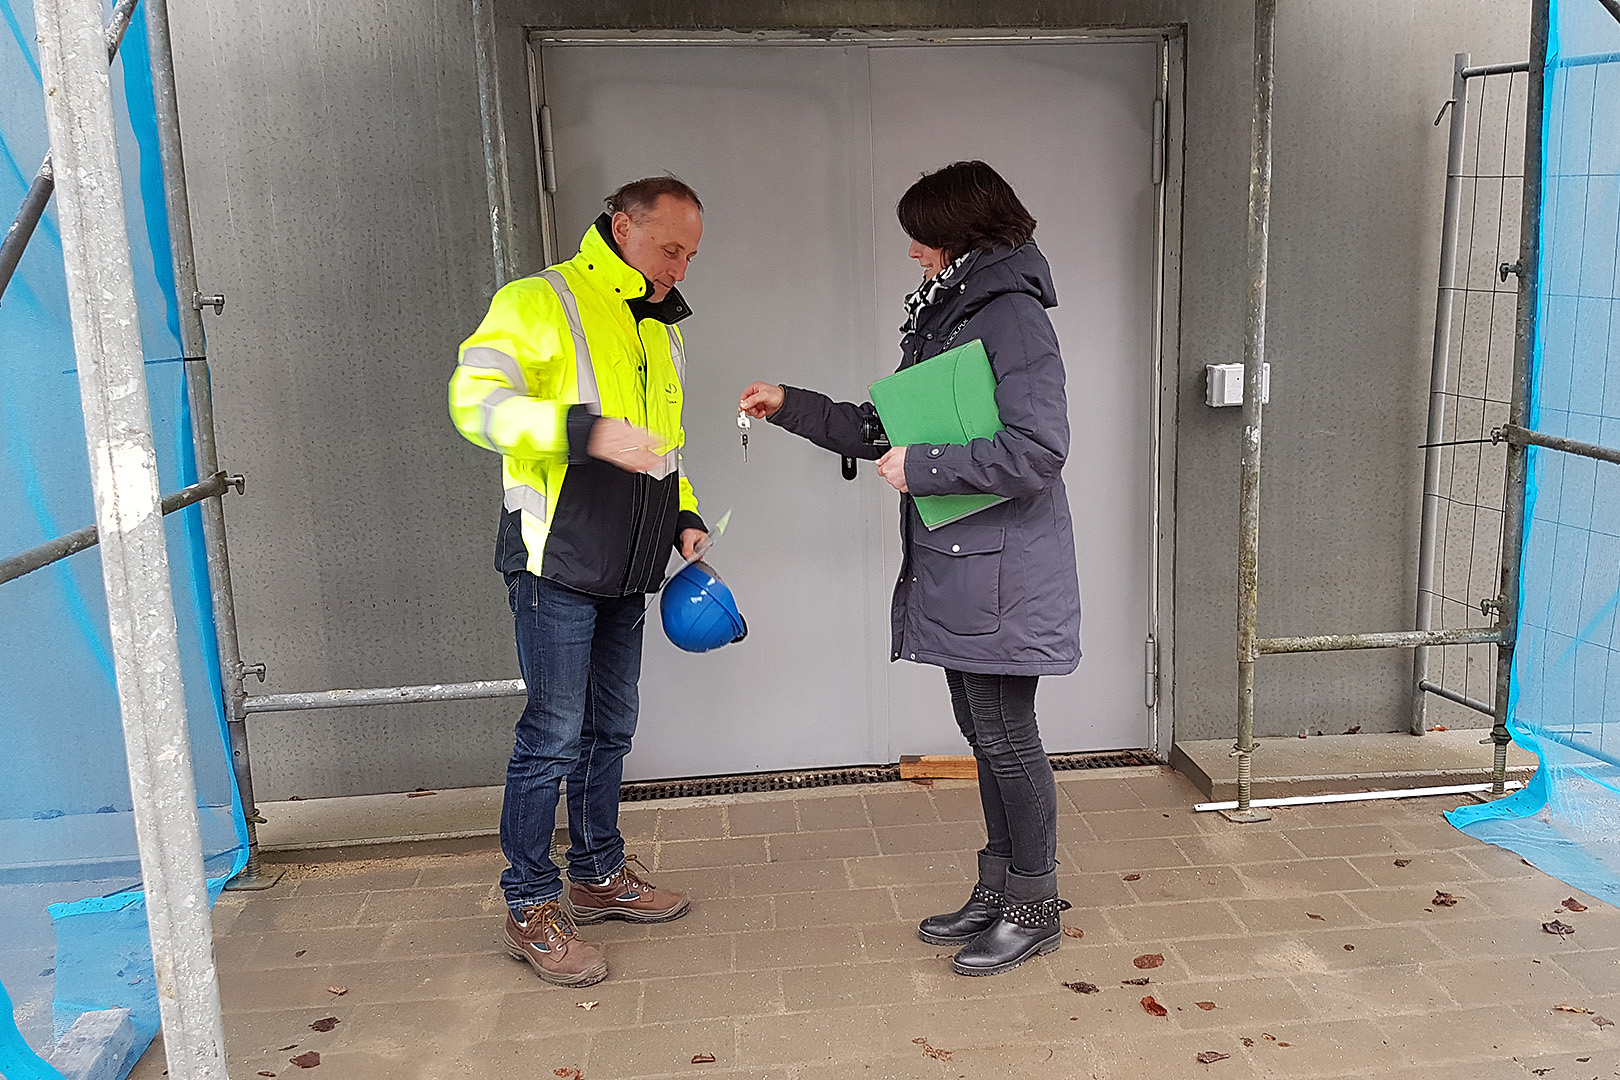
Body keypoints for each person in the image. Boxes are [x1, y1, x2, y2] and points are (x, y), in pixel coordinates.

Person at [739, 160, 1082, 977]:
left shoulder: (1009, 317)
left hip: (1002, 571)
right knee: (985, 734)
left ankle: (1034, 906)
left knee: (1006, 737)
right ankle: (999, 889)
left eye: (921, 238)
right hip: (967, 565)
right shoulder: (951, 313)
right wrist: (790, 404)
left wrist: (924, 466)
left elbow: (1039, 449)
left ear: (959, 234)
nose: (913, 253)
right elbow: (886, 425)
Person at [450, 176, 708, 988]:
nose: (680, 269)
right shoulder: (539, 301)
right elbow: (474, 403)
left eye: (691, 256)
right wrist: (582, 432)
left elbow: (665, 443)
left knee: (610, 730)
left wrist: (683, 515)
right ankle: (529, 904)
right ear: (622, 227)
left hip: (629, 565)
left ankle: (597, 874)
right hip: (555, 560)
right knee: (552, 737)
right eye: (670, 249)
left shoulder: (658, 327)